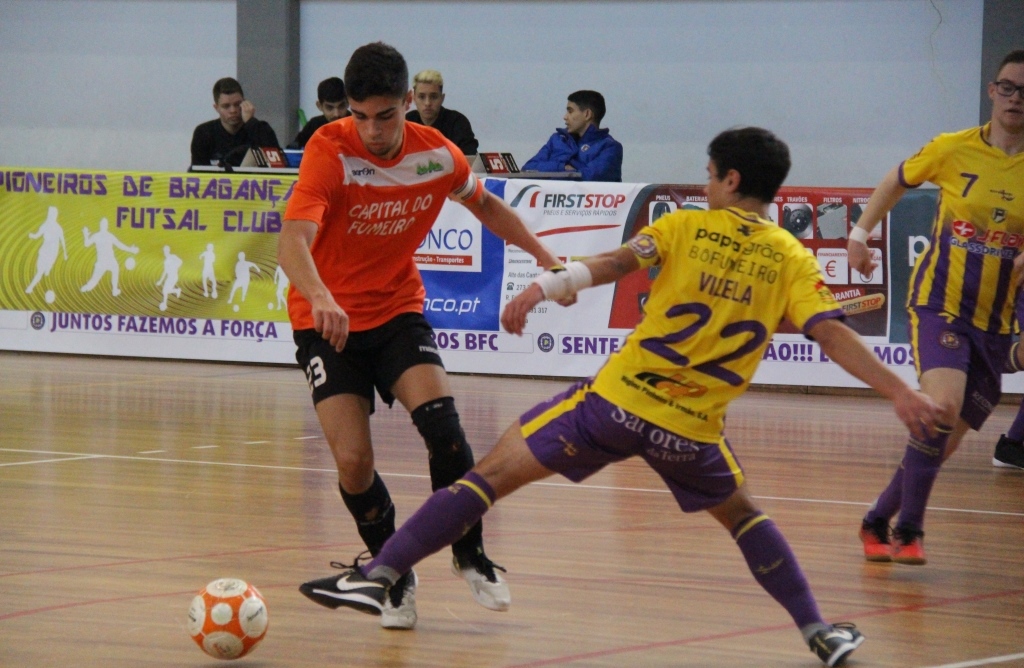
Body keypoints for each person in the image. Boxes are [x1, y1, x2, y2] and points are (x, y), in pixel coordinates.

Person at [298, 126, 943, 666]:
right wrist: (899, 392)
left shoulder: (688, 227)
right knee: (745, 517)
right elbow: (828, 334)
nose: (705, 182)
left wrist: (542, 287)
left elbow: (610, 265)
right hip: (691, 430)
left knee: (487, 476)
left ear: (732, 181)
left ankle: (379, 574)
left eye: (711, 173)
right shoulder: (793, 260)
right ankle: (818, 633)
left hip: (614, 404)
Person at [280, 42, 562, 631]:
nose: (373, 130)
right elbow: (293, 241)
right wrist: (323, 297)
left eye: (386, 115)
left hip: (396, 310)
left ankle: (469, 553)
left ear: (410, 103)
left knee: (445, 429)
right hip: (324, 322)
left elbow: (487, 207)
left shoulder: (438, 154)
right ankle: (394, 576)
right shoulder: (328, 151)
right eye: (358, 115)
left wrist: (545, 257)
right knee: (354, 463)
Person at [850, 49, 1024, 565]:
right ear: (992, 92)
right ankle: (910, 530)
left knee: (941, 444)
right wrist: (860, 234)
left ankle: (876, 518)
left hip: (996, 322)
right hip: (940, 306)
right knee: (940, 410)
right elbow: (896, 180)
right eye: (1009, 87)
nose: (1017, 99)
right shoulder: (953, 149)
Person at [521, 90, 623, 182]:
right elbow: (528, 168)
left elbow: (589, 177)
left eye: (570, 111)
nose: (565, 117)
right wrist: (562, 167)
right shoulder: (557, 139)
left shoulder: (610, 147)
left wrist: (567, 168)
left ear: (587, 114)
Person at [190, 77, 281, 167]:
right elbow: (197, 173)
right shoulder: (204, 133)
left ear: (245, 103)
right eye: (226, 106)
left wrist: (250, 122)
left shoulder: (259, 129)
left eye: (237, 104)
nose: (233, 110)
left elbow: (277, 162)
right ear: (216, 108)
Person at [405, 69, 479, 156]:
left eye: (434, 97)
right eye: (421, 97)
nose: (427, 103)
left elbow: (469, 159)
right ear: (414, 98)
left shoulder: (458, 123)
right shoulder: (408, 122)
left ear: (442, 98)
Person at [289, 77, 350, 149]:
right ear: (319, 106)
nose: (336, 114)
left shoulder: (358, 125)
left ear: (348, 102)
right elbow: (293, 150)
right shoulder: (314, 125)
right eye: (330, 108)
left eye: (341, 106)